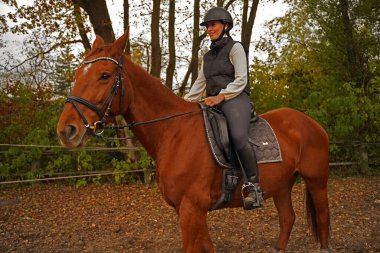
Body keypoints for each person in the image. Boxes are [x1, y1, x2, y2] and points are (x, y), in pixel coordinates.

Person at [184, 7, 263, 210]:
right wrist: (184, 103)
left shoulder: (235, 48)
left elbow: (241, 79)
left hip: (235, 99)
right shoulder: (207, 56)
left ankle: (254, 187)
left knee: (237, 136)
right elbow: (200, 83)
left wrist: (221, 96)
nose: (210, 29)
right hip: (213, 102)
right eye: (208, 26)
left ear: (225, 26)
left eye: (213, 25)